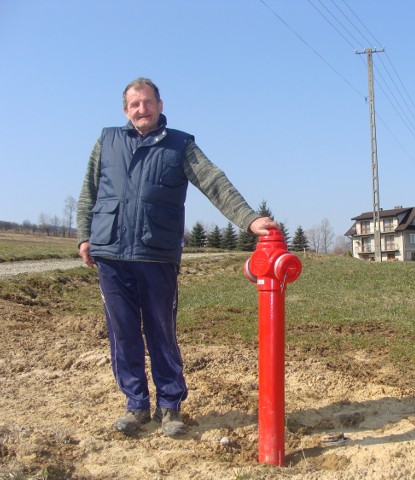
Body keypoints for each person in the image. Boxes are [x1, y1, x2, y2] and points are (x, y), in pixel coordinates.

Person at [76, 77, 277, 437]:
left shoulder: (180, 145)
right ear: (126, 110)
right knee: (122, 334)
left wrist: (249, 218)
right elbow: (88, 192)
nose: (142, 109)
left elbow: (214, 182)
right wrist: (83, 237)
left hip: (157, 255)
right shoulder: (107, 141)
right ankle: (135, 405)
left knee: (161, 331)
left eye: (148, 102)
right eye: (135, 104)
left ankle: (169, 407)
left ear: (160, 105)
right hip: (111, 253)